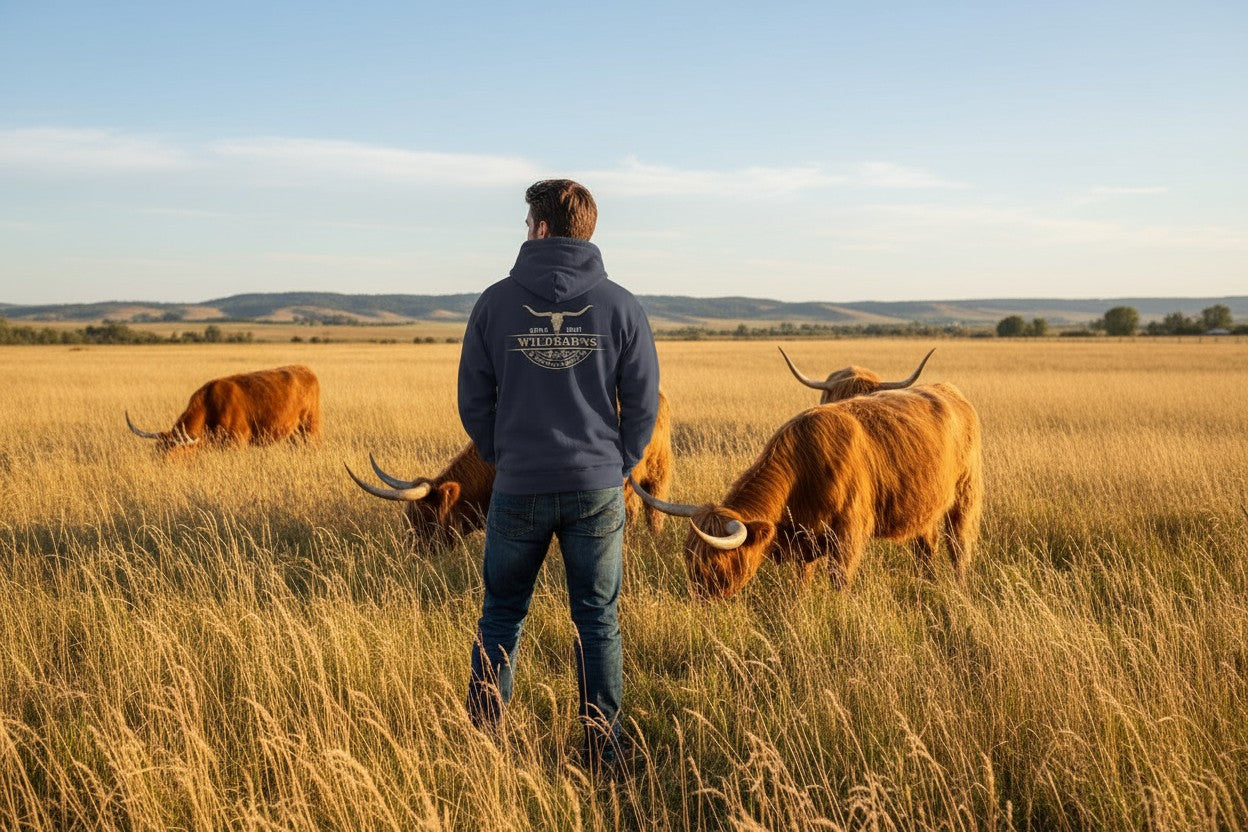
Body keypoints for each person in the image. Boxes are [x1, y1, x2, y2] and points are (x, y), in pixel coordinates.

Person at [457, 179, 660, 773]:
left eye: (527, 223)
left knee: (502, 614)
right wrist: (617, 463)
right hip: (596, 489)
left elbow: (473, 400)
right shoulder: (622, 306)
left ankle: (482, 748)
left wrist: (504, 455)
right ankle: (604, 754)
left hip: (518, 486)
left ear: (542, 228)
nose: (525, 232)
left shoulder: (494, 304)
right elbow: (643, 404)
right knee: (597, 621)